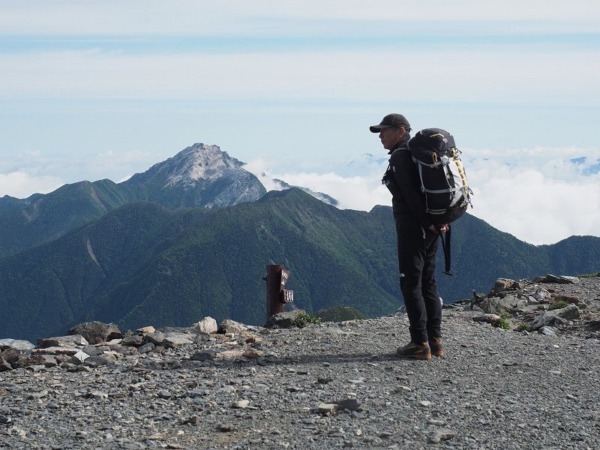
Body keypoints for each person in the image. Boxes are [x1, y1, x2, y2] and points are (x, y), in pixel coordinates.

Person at [370, 113, 447, 360]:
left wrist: (427, 223)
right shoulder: (417, 155)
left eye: (385, 130)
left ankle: (419, 343)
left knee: (411, 282)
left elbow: (410, 196)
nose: (380, 135)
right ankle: (435, 341)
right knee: (428, 281)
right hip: (432, 227)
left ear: (401, 130)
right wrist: (436, 223)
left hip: (415, 229)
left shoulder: (402, 157)